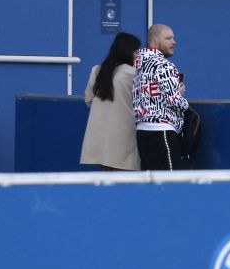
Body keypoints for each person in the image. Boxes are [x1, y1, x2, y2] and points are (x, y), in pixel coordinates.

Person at [80, 32, 142, 171]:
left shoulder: (97, 70)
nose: (138, 55)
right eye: (136, 51)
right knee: (124, 186)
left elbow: (89, 101)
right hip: (124, 138)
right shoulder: (133, 74)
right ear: (129, 52)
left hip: (99, 139)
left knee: (107, 182)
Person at [133, 24, 189, 170]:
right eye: (168, 38)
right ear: (155, 42)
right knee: (169, 181)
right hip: (163, 130)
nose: (174, 42)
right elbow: (173, 100)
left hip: (142, 130)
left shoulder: (138, 64)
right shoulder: (164, 65)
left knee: (150, 182)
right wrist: (183, 100)